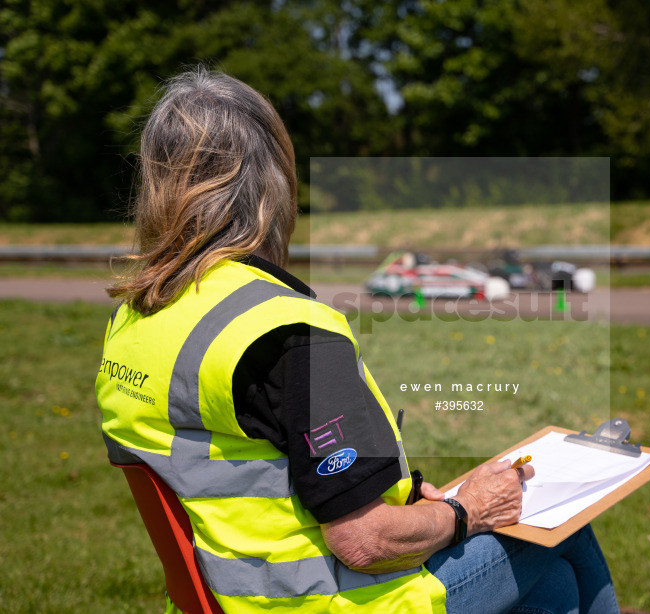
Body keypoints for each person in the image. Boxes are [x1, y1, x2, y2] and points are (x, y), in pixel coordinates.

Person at [95, 66, 618, 614]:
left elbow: (245, 465)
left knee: (554, 587)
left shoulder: (133, 323)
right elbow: (363, 541)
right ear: (274, 188)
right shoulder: (286, 331)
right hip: (339, 601)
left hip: (239, 596)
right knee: (563, 527)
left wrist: (406, 495)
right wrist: (470, 511)